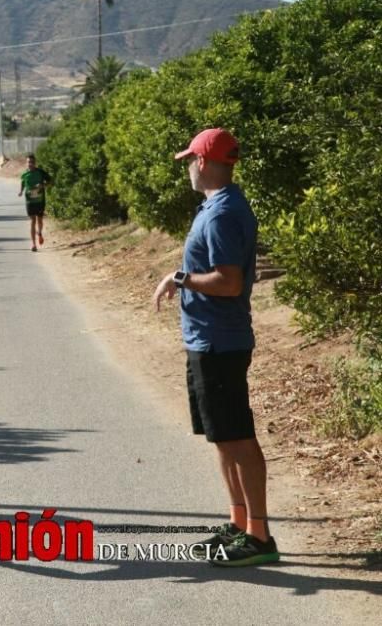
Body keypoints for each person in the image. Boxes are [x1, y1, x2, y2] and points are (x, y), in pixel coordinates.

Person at [152, 128, 278, 567]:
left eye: (191, 159)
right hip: (207, 341)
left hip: (220, 343)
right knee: (223, 438)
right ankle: (240, 524)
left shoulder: (223, 213)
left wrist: (181, 278)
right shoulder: (217, 206)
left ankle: (259, 537)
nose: (188, 166)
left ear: (204, 162)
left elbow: (230, 281)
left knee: (239, 438)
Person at [18, 154, 50, 252]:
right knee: (32, 221)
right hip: (29, 201)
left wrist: (42, 185)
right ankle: (33, 244)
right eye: (28, 162)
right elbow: (23, 182)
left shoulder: (40, 172)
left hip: (40, 201)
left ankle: (39, 233)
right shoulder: (24, 174)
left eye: (32, 162)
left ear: (35, 163)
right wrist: (21, 191)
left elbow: (50, 181)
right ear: (26, 163)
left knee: (39, 220)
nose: (30, 164)